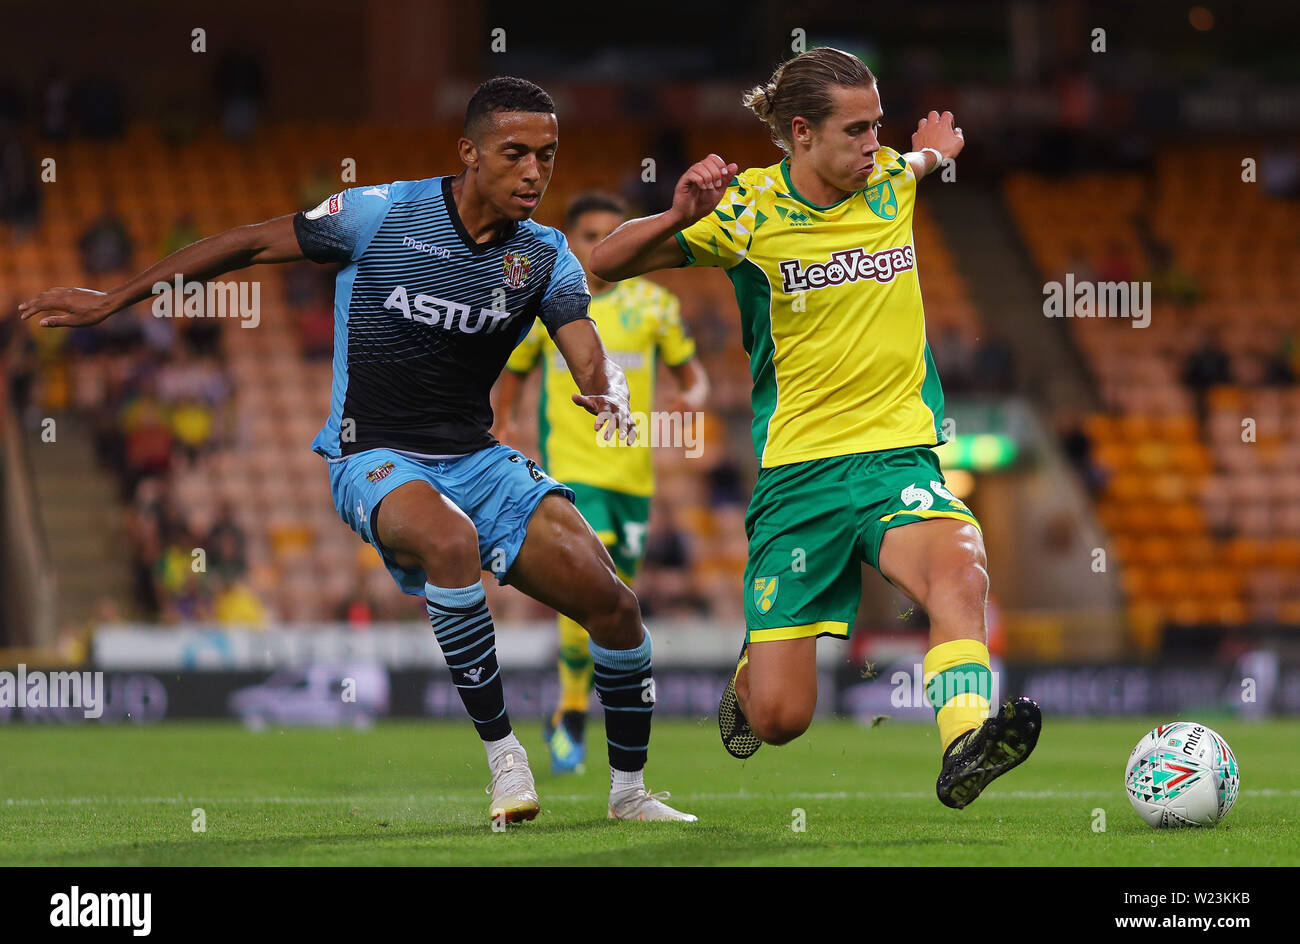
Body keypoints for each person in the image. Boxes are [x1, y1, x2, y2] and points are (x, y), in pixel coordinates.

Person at [21, 76, 696, 826]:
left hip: (476, 460)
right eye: (515, 154)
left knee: (616, 604)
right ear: (469, 152)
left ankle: (629, 793)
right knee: (451, 542)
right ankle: (505, 760)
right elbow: (244, 242)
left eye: (548, 155)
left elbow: (585, 348)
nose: (534, 172)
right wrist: (115, 299)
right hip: (373, 454)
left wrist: (608, 391)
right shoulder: (379, 213)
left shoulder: (544, 255)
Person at [591, 48, 1041, 810]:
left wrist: (939, 148)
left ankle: (964, 740)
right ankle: (750, 677)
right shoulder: (744, 215)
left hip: (897, 458)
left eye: (881, 128)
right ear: (801, 133)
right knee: (780, 718)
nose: (876, 146)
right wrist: (677, 216)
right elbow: (601, 263)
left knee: (961, 569)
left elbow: (920, 158)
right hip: (798, 478)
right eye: (857, 131)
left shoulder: (892, 177)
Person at [495, 191, 709, 774]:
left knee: (619, 605)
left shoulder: (656, 305)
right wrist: (505, 428)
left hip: (633, 481)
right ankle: (569, 707)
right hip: (573, 473)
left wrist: (688, 397)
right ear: (569, 241)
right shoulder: (550, 303)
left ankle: (581, 709)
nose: (601, 246)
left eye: (613, 234)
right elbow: (510, 379)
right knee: (592, 581)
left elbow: (695, 380)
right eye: (589, 235)